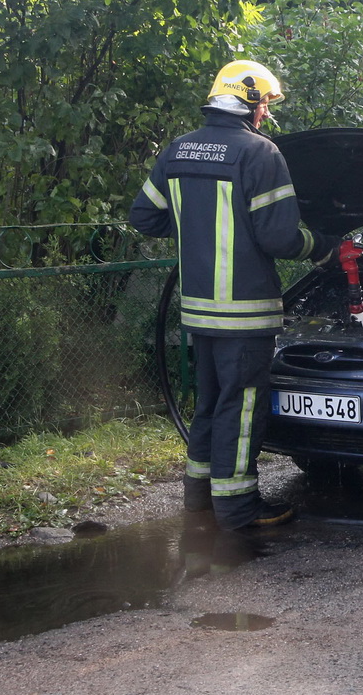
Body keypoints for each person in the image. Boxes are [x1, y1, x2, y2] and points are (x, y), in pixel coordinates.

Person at [130, 60, 339, 531]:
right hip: (244, 312)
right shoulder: (259, 154)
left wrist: (195, 228)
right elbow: (281, 238)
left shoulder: (178, 151)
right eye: (264, 102)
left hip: (198, 310)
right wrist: (323, 247)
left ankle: (199, 499)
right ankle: (239, 508)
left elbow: (145, 217)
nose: (265, 112)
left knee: (210, 402)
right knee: (241, 407)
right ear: (247, 102)